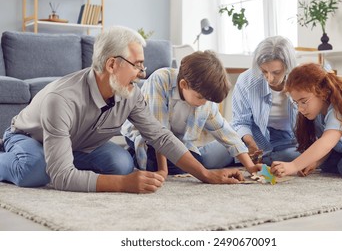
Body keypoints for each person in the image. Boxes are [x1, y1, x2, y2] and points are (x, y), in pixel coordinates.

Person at [0, 26, 244, 194]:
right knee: (35, 171)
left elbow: (159, 136)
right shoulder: (61, 99)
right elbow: (62, 178)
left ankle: (60, 160)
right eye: (137, 65)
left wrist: (205, 174)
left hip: (81, 144)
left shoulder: (130, 93)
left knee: (121, 165)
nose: (142, 73)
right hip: (30, 138)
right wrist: (123, 184)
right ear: (112, 64)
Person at [122, 50, 262, 177]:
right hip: (148, 136)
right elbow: (159, 134)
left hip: (176, 140)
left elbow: (225, 133)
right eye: (200, 98)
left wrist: (250, 166)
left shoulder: (204, 97)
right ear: (183, 85)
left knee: (196, 163)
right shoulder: (160, 80)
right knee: (160, 164)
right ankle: (132, 154)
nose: (204, 102)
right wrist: (162, 170)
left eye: (207, 100)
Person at [231, 36, 300, 165]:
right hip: (254, 135)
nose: (270, 79)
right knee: (211, 158)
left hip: (288, 140)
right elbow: (240, 121)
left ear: (288, 66)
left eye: (276, 72)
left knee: (292, 155)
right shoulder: (246, 80)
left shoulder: (301, 79)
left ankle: (263, 158)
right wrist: (250, 143)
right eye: (264, 71)